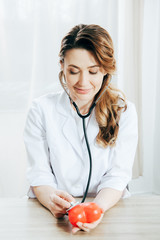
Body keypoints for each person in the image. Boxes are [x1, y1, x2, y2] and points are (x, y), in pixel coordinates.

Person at [23, 24, 138, 233]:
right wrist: (51, 199)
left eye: (93, 71)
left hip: (106, 209)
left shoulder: (124, 110)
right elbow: (39, 173)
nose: (83, 82)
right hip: (51, 214)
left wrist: (97, 208)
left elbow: (118, 175)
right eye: (73, 71)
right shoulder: (41, 109)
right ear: (62, 65)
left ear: (105, 69)